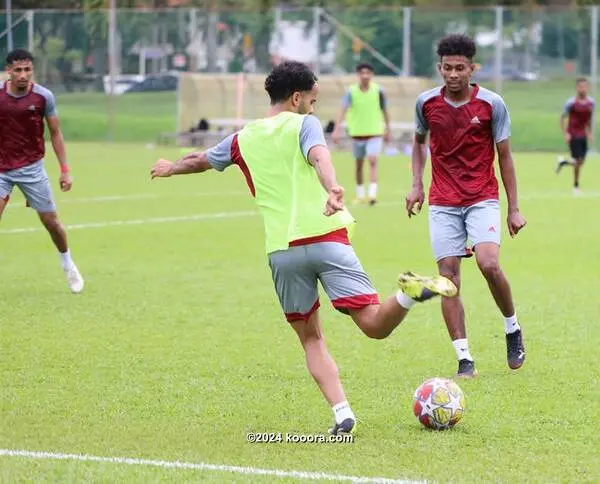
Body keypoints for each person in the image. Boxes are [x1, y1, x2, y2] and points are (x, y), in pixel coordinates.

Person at [151, 61, 457, 435]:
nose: (313, 108)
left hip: (283, 251)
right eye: (312, 101)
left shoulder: (241, 139)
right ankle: (408, 295)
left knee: (311, 338)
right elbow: (319, 156)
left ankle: (343, 414)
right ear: (297, 98)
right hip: (327, 238)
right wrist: (333, 187)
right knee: (375, 325)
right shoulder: (304, 124)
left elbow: (199, 160)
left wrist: (171, 168)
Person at [406, 34, 527, 379]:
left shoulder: (492, 104)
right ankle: (464, 359)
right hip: (443, 201)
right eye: (447, 68)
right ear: (439, 68)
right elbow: (417, 144)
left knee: (489, 264)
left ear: (473, 68)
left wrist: (513, 208)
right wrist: (416, 184)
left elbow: (505, 157)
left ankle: (512, 328)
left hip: (481, 198)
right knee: (448, 277)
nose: (453, 74)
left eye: (460, 68)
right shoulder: (426, 103)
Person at [0, 49, 84, 294]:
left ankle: (67, 263)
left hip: (32, 169)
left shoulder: (43, 97)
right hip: (2, 169)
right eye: (18, 70)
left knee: (51, 223)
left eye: (27, 70)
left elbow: (55, 133)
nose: (23, 75)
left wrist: (65, 170)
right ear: (9, 71)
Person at [332, 63, 391, 206]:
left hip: (374, 133)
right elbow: (343, 110)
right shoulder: (351, 92)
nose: (365, 76)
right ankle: (360, 194)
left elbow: (385, 110)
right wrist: (336, 129)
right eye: (362, 73)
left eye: (368, 73)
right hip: (357, 133)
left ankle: (372, 195)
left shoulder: (378, 91)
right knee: (359, 165)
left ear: (372, 74)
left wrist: (388, 129)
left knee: (372, 161)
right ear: (358, 75)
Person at [556, 78, 595, 195]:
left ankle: (563, 162)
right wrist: (565, 133)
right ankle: (576, 186)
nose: (582, 89)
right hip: (573, 134)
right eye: (580, 87)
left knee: (581, 161)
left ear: (587, 88)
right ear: (577, 88)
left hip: (583, 134)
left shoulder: (591, 103)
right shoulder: (571, 103)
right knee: (578, 160)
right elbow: (562, 118)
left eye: (585, 87)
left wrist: (589, 133)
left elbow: (588, 119)